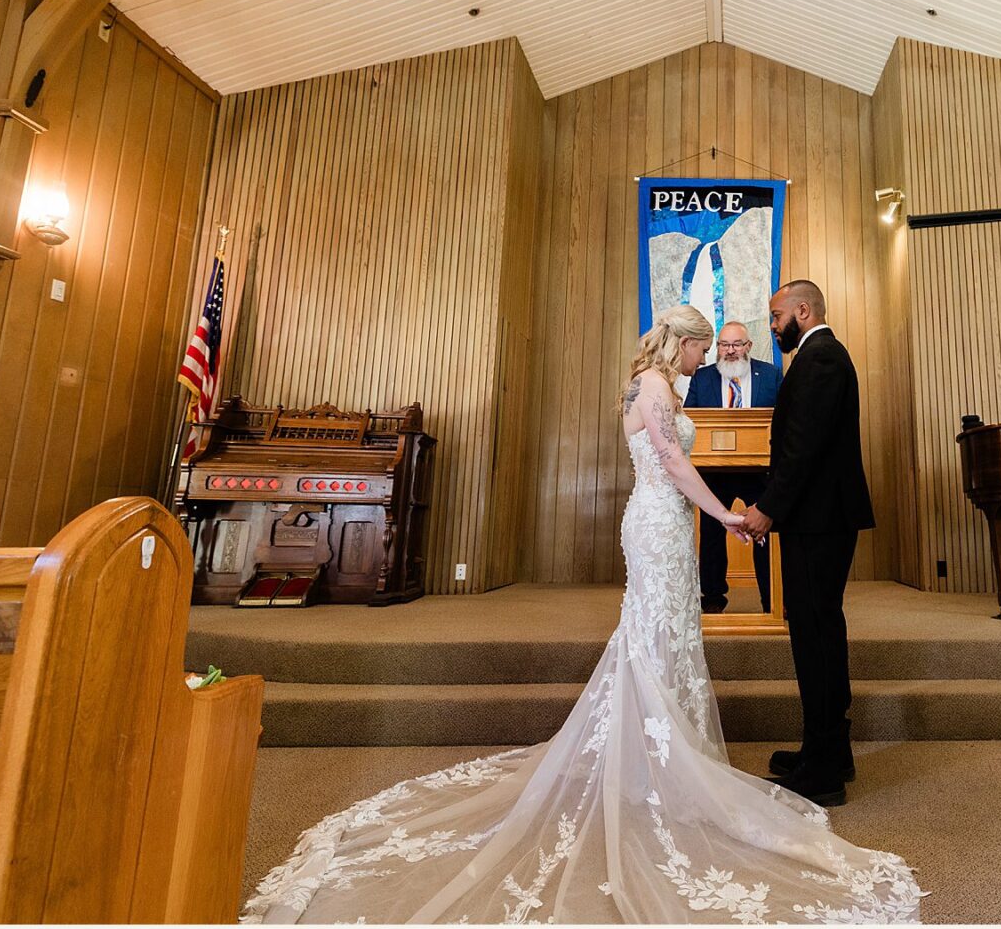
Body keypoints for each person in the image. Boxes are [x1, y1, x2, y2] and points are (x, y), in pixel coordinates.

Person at [242, 305, 920, 924]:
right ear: (680, 343)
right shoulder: (654, 389)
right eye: (700, 350)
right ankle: (657, 766)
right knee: (655, 635)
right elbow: (674, 465)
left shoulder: (653, 385)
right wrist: (728, 516)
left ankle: (664, 756)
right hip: (660, 522)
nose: (702, 362)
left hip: (664, 521)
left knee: (664, 634)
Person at [741, 281, 874, 810]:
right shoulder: (820, 355)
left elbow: (802, 449)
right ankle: (829, 749)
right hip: (820, 517)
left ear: (803, 310)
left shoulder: (819, 358)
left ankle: (822, 770)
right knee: (820, 626)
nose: (772, 327)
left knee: (814, 633)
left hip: (818, 519)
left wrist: (767, 507)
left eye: (776, 317)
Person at [683, 321, 781, 613]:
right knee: (712, 535)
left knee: (764, 532)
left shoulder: (772, 375)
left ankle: (771, 599)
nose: (730, 351)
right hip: (715, 472)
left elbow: (782, 418)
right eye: (724, 345)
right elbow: (691, 421)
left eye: (737, 344)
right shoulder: (702, 378)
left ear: (749, 346)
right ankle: (712, 600)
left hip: (758, 471)